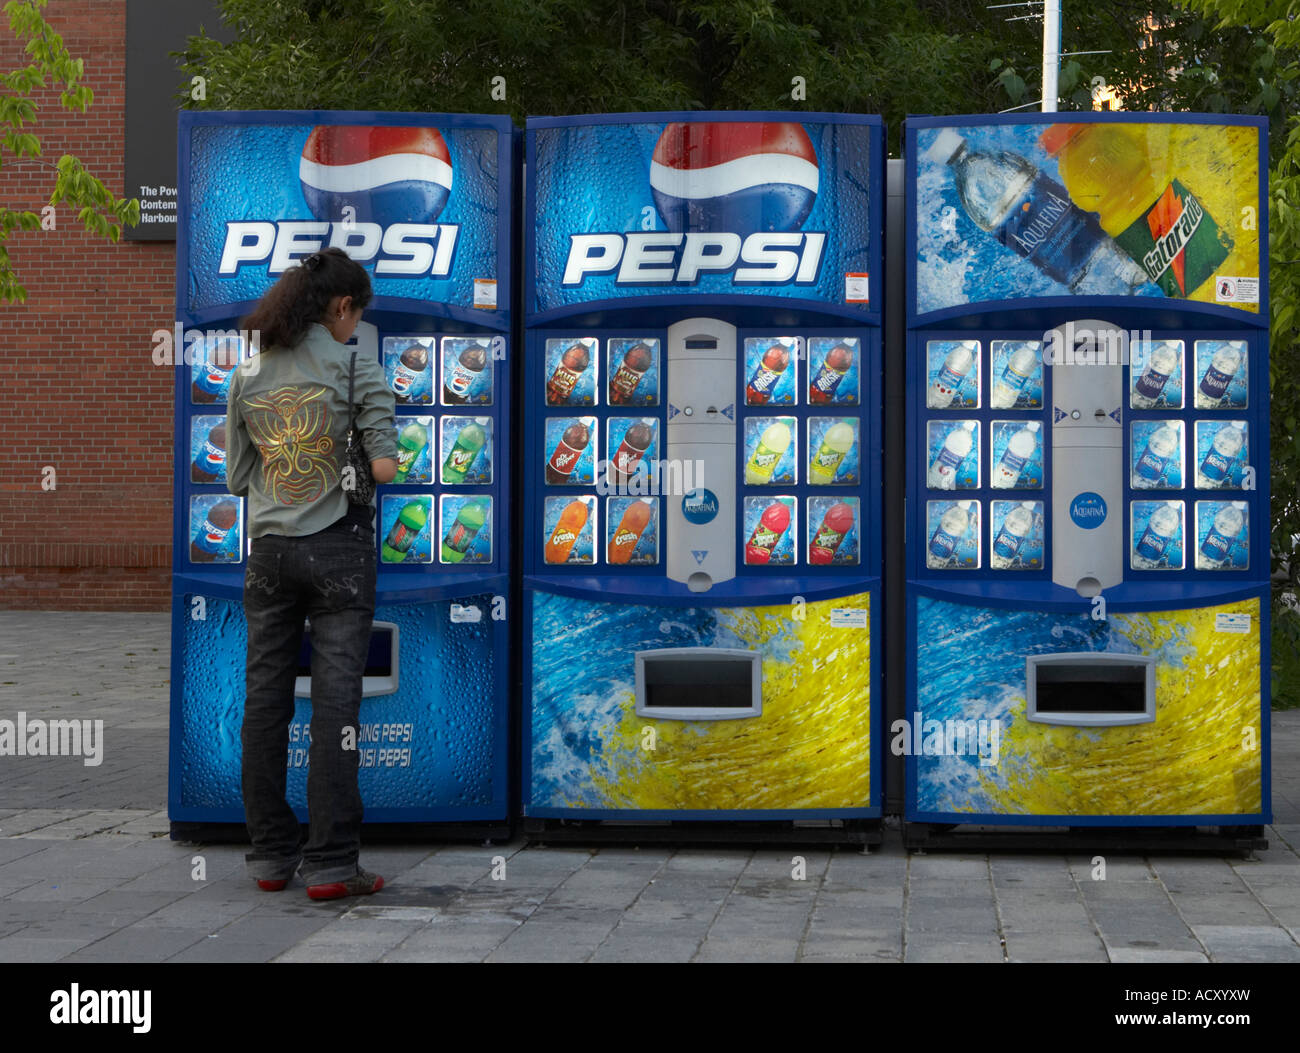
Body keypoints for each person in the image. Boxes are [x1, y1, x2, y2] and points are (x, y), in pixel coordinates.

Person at [225, 247, 398, 900]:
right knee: (335, 709)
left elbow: (240, 476)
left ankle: (270, 854)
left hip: (268, 552)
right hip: (339, 554)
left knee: (265, 702)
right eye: (358, 313)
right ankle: (330, 863)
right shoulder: (357, 366)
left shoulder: (251, 371)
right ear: (342, 307)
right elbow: (383, 470)